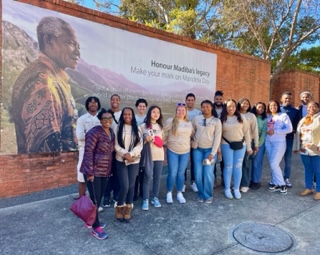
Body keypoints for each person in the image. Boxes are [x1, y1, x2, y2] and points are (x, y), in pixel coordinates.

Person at [11, 16, 80, 153]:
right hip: (51, 172)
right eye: (71, 43)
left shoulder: (46, 75)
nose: (78, 52)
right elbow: (47, 155)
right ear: (49, 41)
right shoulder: (45, 84)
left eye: (78, 46)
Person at [80, 108, 115, 240]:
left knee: (98, 199)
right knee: (95, 199)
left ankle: (93, 220)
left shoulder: (111, 132)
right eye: (105, 118)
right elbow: (88, 152)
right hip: (93, 171)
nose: (107, 121)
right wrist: (89, 172)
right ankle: (95, 228)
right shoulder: (93, 132)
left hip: (104, 171)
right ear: (100, 120)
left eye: (110, 118)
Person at [219, 99, 252, 199]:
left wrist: (249, 147)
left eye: (233, 106)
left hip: (241, 145)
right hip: (226, 144)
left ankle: (236, 188)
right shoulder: (222, 118)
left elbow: (246, 132)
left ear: (235, 107)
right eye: (229, 106)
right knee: (228, 167)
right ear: (226, 107)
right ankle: (227, 189)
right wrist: (218, 149)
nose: (231, 108)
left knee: (238, 166)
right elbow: (218, 135)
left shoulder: (241, 117)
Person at [114, 107, 143, 222]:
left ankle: (127, 209)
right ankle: (119, 207)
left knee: (131, 186)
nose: (127, 116)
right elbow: (116, 145)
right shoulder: (118, 128)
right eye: (125, 114)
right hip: (121, 160)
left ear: (132, 115)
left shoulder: (138, 128)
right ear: (122, 116)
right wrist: (125, 154)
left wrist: (131, 154)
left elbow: (140, 145)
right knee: (125, 186)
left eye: (129, 114)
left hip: (134, 160)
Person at [192, 100, 221, 203]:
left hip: (209, 151)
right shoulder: (196, 119)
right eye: (203, 107)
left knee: (208, 173)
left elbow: (217, 138)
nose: (205, 108)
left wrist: (212, 154)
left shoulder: (216, 121)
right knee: (198, 173)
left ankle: (208, 195)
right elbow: (192, 132)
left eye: (207, 106)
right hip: (198, 151)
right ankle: (201, 194)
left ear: (211, 107)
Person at [164, 103, 193, 204]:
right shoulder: (170, 121)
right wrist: (164, 144)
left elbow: (190, 136)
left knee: (181, 173)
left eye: (183, 111)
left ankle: (179, 193)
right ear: (176, 111)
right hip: (173, 151)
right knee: (172, 173)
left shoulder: (189, 123)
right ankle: (169, 193)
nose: (181, 112)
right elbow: (163, 133)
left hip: (185, 152)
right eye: (179, 110)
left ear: (186, 112)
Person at [75, 97, 101, 200]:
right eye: (90, 102)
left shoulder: (101, 118)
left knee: (96, 177)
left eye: (95, 102)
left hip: (99, 152)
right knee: (82, 175)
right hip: (85, 151)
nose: (93, 104)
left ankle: (95, 201)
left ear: (98, 104)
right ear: (87, 105)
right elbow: (80, 136)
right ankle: (82, 200)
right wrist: (97, 135)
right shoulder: (82, 119)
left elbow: (105, 136)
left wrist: (88, 133)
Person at [294, 101, 320, 200]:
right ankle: (308, 188)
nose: (311, 108)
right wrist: (296, 146)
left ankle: (319, 190)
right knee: (308, 169)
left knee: (318, 170)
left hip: (315, 148)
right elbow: (298, 133)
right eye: (309, 107)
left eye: (314, 106)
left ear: (318, 108)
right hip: (304, 148)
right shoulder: (304, 119)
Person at [140, 106, 164, 210]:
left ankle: (155, 197)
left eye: (158, 112)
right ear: (149, 113)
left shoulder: (160, 126)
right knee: (147, 177)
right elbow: (138, 141)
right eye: (153, 112)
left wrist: (154, 140)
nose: (156, 114)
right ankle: (145, 199)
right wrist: (146, 139)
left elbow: (162, 142)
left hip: (159, 155)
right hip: (148, 156)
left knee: (157, 178)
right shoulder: (143, 126)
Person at [266, 100, 293, 195]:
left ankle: (282, 184)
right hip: (268, 142)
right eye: (271, 106)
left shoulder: (283, 116)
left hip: (279, 142)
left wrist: (276, 131)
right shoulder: (268, 117)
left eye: (275, 105)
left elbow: (289, 129)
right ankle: (275, 182)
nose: (273, 107)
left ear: (278, 106)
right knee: (273, 163)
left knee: (274, 163)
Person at [103, 94, 122, 207]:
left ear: (119, 101)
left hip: (119, 148)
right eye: (113, 99)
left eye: (117, 100)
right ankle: (106, 196)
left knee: (117, 173)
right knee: (107, 173)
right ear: (110, 101)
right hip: (108, 148)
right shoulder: (107, 114)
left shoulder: (122, 114)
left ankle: (116, 194)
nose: (115, 101)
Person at [238, 98, 259, 193]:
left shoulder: (251, 116)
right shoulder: (235, 114)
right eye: (243, 103)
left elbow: (255, 130)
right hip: (236, 143)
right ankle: (237, 183)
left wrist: (256, 144)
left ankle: (245, 184)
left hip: (248, 142)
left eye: (247, 103)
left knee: (246, 164)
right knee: (237, 164)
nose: (245, 105)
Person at [280, 92, 299, 188]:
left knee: (288, 159)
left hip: (289, 139)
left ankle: (286, 177)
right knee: (276, 160)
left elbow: (296, 126)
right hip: (277, 139)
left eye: (289, 99)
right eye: (286, 98)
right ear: (281, 99)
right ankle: (276, 177)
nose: (288, 100)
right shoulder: (277, 109)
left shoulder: (295, 111)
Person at [185, 93, 202, 192]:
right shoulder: (183, 111)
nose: (190, 102)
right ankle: (182, 182)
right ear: (186, 101)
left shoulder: (198, 113)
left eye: (192, 100)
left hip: (195, 141)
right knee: (183, 163)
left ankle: (193, 182)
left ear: (194, 101)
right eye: (189, 100)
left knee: (194, 163)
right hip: (184, 142)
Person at [133, 98, 148, 201]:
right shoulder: (133, 118)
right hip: (134, 147)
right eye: (140, 106)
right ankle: (134, 192)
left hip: (146, 148)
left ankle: (143, 191)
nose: (142, 108)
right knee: (135, 171)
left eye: (143, 106)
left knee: (144, 170)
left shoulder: (148, 118)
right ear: (136, 107)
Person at [250, 102, 267, 190]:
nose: (260, 109)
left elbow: (264, 132)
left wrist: (258, 144)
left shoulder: (264, 119)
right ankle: (249, 180)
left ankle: (256, 181)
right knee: (249, 162)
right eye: (259, 107)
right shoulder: (251, 116)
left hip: (260, 143)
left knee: (257, 162)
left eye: (262, 108)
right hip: (249, 141)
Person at [213, 90, 224, 187]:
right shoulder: (211, 108)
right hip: (213, 137)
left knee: (223, 160)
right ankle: (214, 179)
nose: (218, 101)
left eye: (220, 99)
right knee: (213, 157)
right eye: (217, 99)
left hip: (224, 137)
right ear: (214, 99)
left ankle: (224, 178)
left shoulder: (226, 109)